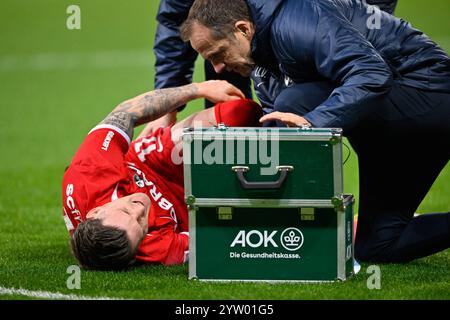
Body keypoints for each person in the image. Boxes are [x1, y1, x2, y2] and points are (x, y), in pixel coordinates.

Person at [181, 0, 450, 263]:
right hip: (394, 129)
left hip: (430, 95)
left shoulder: (297, 19)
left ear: (243, 29)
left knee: (294, 104)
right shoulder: (260, 61)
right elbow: (277, 129)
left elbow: (371, 73)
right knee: (377, 247)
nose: (216, 69)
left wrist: (312, 123)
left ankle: (308, 228)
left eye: (217, 54)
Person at [62, 80, 263, 270]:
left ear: (95, 212)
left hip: (149, 164)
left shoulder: (90, 172)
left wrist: (198, 89)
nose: (140, 210)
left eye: (125, 212)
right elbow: (221, 238)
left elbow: (125, 113)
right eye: (141, 227)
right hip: (187, 207)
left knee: (239, 112)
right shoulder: (152, 250)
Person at [150, 0, 253, 131]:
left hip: (275, 30)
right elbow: (175, 20)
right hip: (227, 31)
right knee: (228, 115)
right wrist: (168, 106)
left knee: (281, 108)